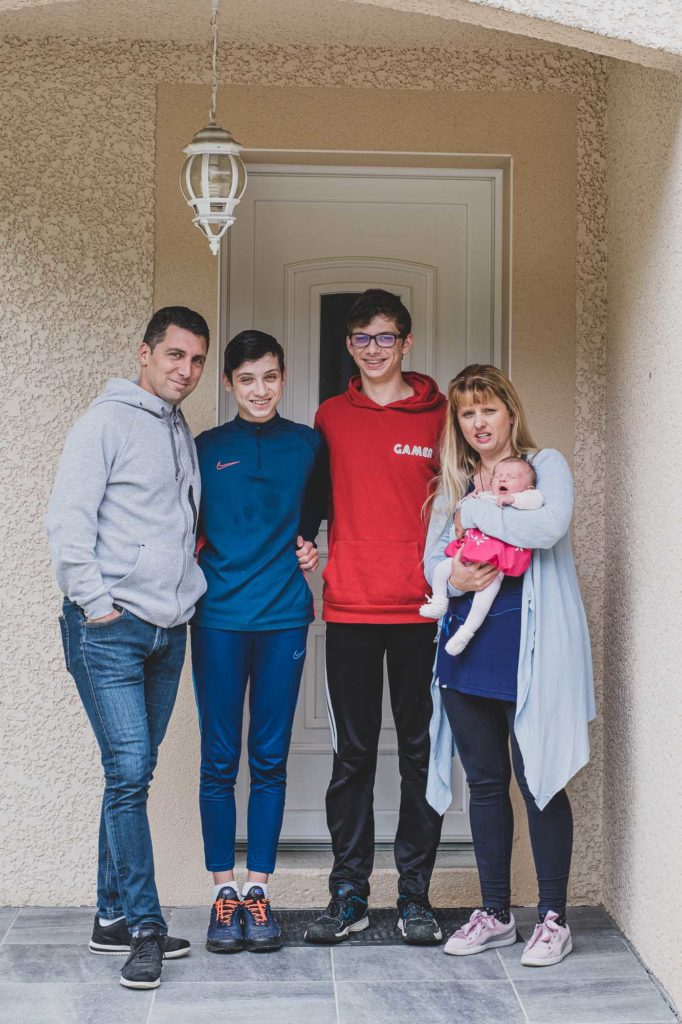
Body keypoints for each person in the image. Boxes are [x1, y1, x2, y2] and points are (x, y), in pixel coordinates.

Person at [47, 306, 210, 989]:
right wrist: (99, 605)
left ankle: (110, 915)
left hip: (168, 629)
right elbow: (67, 524)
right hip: (110, 631)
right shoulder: (104, 423)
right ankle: (145, 927)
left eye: (197, 360)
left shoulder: (179, 429)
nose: (186, 370)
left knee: (128, 775)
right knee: (130, 772)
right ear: (145, 354)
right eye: (175, 355)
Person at [424, 363, 595, 967]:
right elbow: (430, 564)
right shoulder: (452, 482)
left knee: (541, 778)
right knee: (486, 785)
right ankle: (496, 914)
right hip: (466, 653)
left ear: (510, 412)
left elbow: (546, 526)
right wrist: (454, 575)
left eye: (488, 410)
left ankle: (553, 919)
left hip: (531, 656)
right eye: (467, 413)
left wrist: (474, 517)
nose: (478, 423)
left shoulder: (544, 466)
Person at [304, 289, 446, 947]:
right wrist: (304, 543)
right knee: (352, 757)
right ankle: (350, 895)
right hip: (351, 608)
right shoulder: (331, 416)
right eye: (362, 338)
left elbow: (464, 501)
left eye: (385, 337)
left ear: (406, 342)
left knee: (420, 754)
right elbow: (314, 499)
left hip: (423, 611)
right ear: (349, 345)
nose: (373, 349)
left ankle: (415, 897)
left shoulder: (440, 415)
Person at [190, 330, 323, 954]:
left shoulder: (308, 445)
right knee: (219, 757)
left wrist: (311, 547)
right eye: (246, 379)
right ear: (228, 384)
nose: (260, 389)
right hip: (217, 618)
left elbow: (317, 519)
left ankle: (259, 890)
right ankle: (224, 892)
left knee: (269, 757)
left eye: (269, 377)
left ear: (283, 377)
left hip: (283, 618)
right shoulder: (205, 448)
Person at [420, 456, 543, 655]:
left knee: (485, 595)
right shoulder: (486, 496)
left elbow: (536, 499)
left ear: (527, 487)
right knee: (441, 569)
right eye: (498, 476)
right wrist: (467, 501)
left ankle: (466, 632)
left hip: (496, 561)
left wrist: (512, 499)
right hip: (470, 553)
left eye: (511, 477)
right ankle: (439, 601)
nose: (503, 479)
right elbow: (461, 511)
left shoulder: (523, 499)